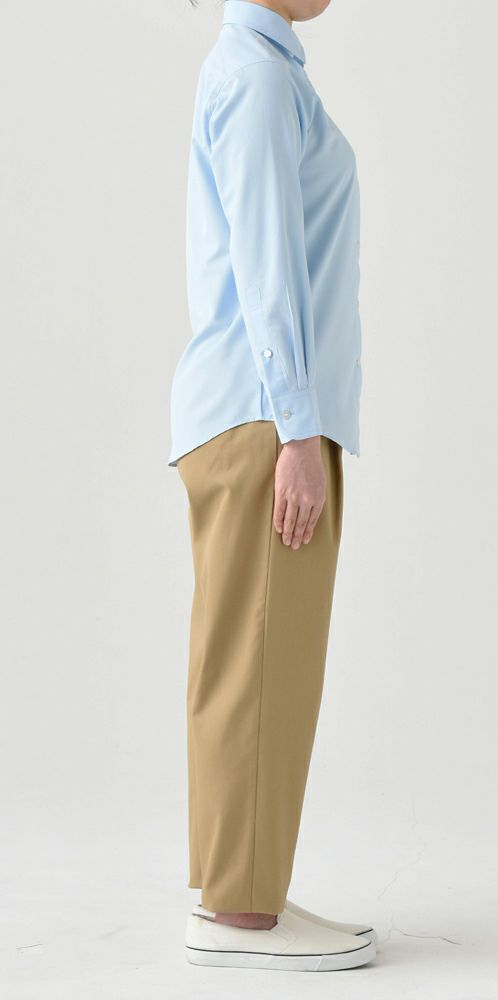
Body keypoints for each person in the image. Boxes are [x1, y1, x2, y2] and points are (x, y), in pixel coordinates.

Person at [168, 0, 375, 971]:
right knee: (255, 665)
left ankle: (243, 891)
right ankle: (241, 916)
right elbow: (267, 266)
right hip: (267, 420)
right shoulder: (255, 77)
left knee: (259, 665)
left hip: (267, 417)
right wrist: (296, 428)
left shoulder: (264, 70)